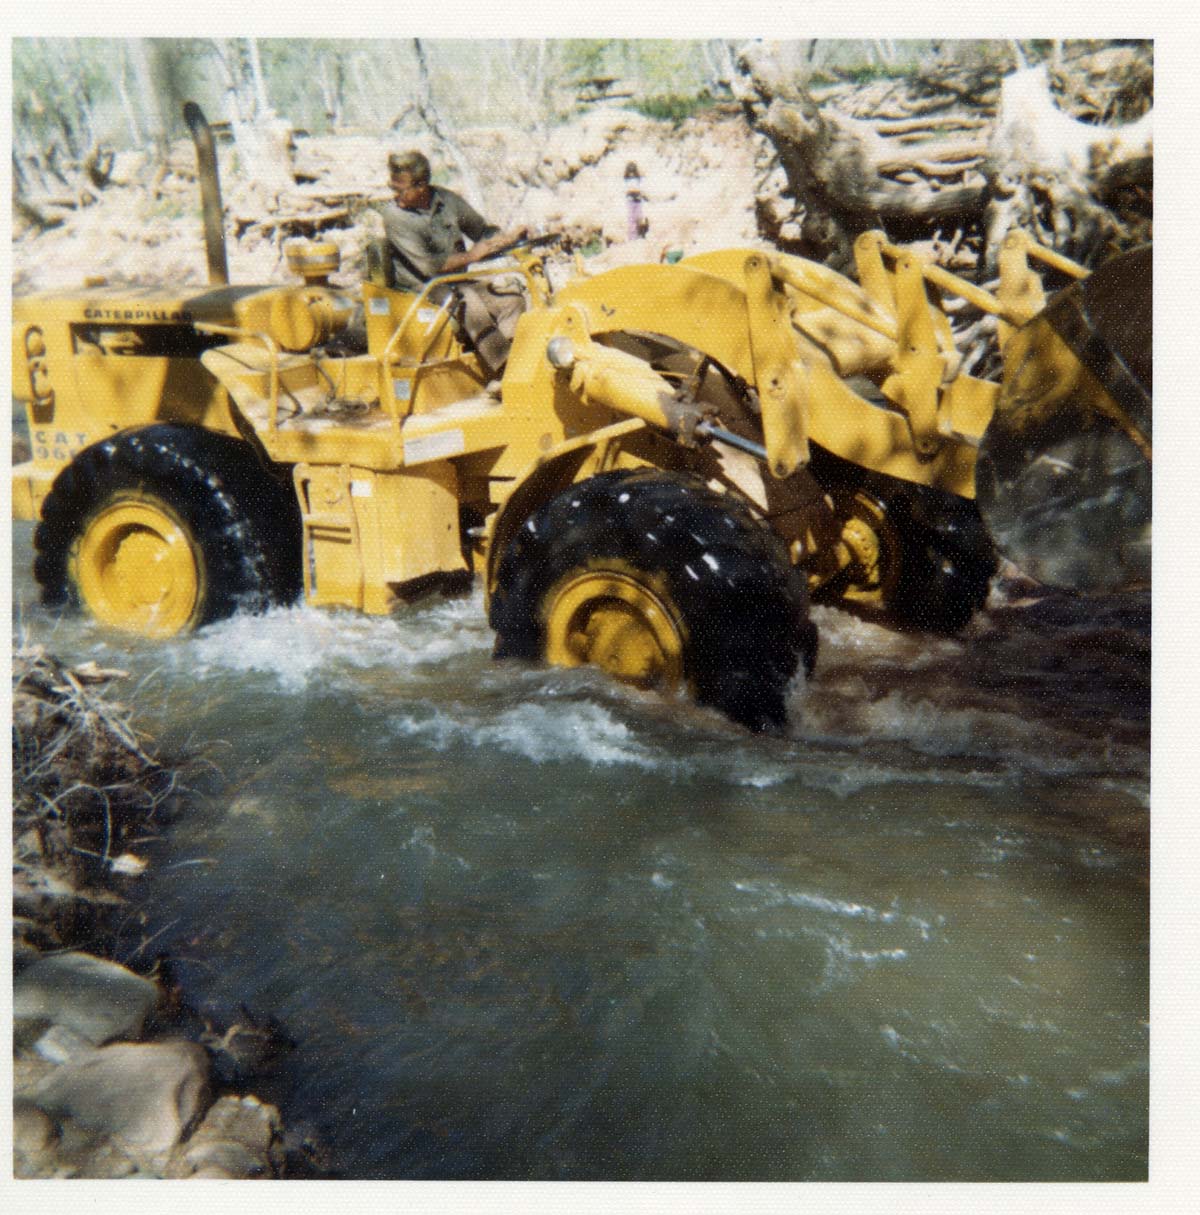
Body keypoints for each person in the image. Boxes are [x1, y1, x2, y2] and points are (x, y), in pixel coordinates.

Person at [379, 150, 529, 375]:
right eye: (393, 188)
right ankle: (505, 372)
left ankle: (515, 360)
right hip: (421, 288)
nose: (396, 196)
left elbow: (481, 230)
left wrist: (506, 239)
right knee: (469, 303)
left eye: (401, 190)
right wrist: (472, 256)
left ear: (422, 185)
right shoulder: (395, 217)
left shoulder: (446, 201)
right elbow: (429, 267)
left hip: (457, 281)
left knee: (511, 300)